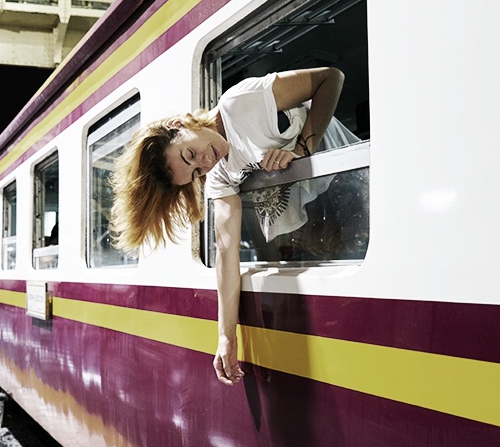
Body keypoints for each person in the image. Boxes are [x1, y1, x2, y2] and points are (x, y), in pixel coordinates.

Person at [110, 67, 351, 386]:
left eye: (190, 154)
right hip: (328, 215)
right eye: (195, 173)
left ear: (178, 125)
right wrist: (226, 337)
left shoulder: (240, 101)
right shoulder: (220, 175)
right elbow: (225, 250)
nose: (205, 163)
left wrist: (302, 149)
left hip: (351, 189)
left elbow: (331, 78)